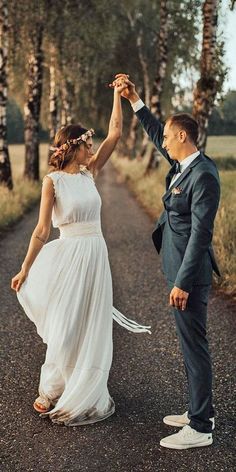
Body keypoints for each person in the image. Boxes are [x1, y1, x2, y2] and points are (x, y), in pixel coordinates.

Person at [11, 80, 150, 427]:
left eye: (91, 144)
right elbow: (43, 230)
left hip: (95, 254)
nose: (91, 148)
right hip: (68, 256)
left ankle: (87, 387)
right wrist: (25, 268)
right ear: (72, 147)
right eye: (87, 144)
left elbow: (115, 134)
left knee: (92, 323)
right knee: (66, 323)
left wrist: (118, 96)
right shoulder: (52, 182)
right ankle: (52, 388)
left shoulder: (92, 173)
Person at [111, 74, 220, 450]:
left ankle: (201, 427)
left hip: (189, 276)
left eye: (170, 138)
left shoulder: (203, 175)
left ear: (184, 138)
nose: (165, 143)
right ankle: (196, 410)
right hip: (179, 270)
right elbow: (158, 134)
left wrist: (183, 282)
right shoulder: (184, 165)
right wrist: (135, 100)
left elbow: (201, 236)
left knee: (195, 346)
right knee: (190, 343)